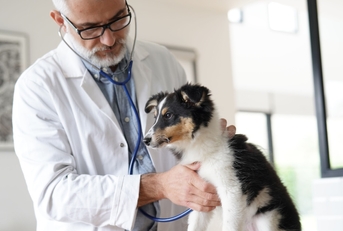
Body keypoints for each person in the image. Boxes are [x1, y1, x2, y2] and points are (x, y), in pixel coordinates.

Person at [12, 0, 235, 230]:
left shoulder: (162, 61)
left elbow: (184, 148)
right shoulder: (37, 87)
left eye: (118, 19)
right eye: (90, 29)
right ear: (61, 21)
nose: (109, 39)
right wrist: (159, 186)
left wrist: (206, 142)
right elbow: (54, 194)